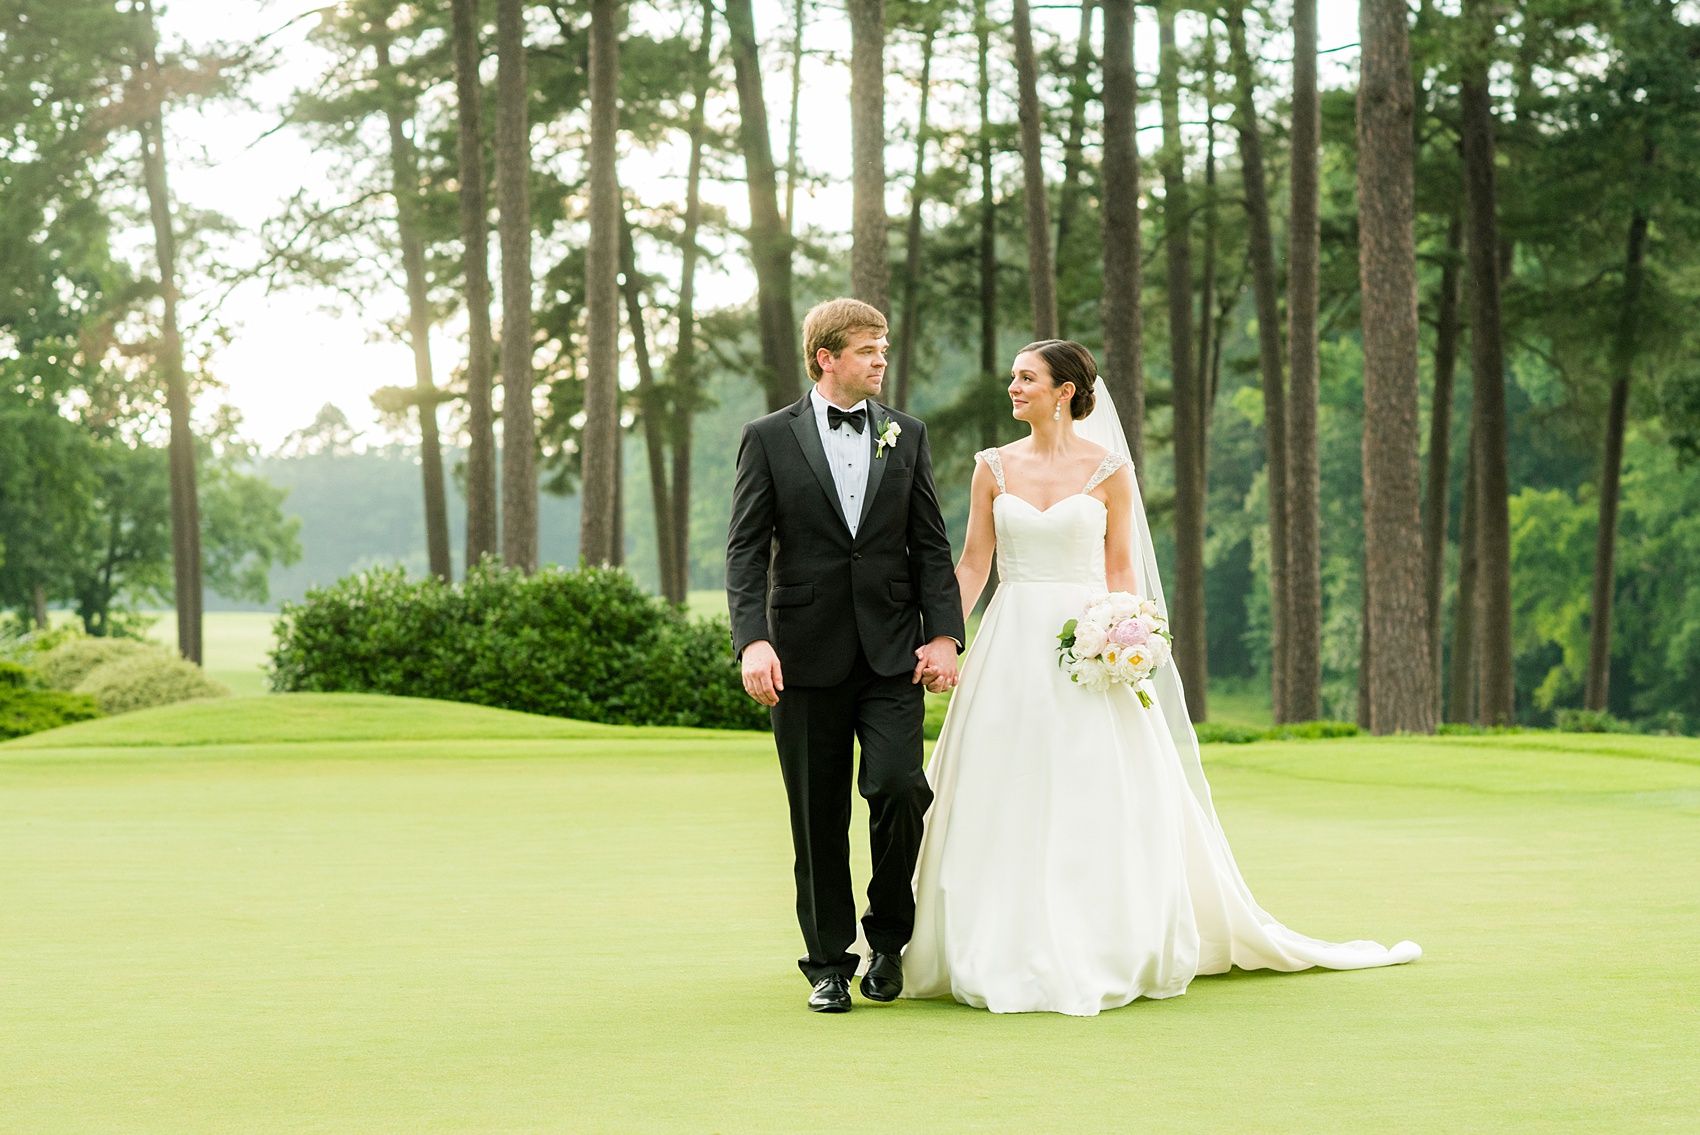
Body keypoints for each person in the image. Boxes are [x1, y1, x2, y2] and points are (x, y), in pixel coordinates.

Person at [902, 339, 1420, 1016]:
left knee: (1095, 784)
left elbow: (1122, 569)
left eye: (1026, 377)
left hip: (1086, 644)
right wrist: (945, 637)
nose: (1013, 387)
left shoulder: (1109, 469)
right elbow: (972, 563)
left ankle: (1103, 938)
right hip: (1009, 646)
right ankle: (990, 937)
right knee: (1005, 782)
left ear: (1065, 390)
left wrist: (1126, 639)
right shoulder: (991, 467)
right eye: (1012, 378)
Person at [725, 298, 966, 1014]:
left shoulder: (907, 434)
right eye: (868, 349)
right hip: (801, 655)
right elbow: (744, 548)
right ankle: (829, 962)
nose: (881, 360)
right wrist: (752, 639)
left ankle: (888, 940)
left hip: (892, 653)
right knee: (816, 816)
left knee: (898, 787)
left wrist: (944, 633)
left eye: (884, 348)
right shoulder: (768, 437)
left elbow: (930, 544)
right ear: (826, 357)